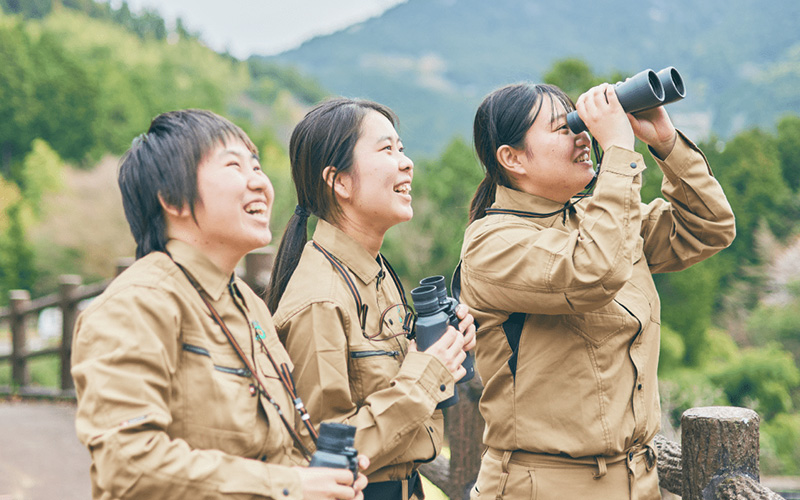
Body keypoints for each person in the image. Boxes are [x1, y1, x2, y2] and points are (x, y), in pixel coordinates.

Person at [71, 109, 369, 500]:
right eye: (234, 165)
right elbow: (129, 467)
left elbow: (274, 446)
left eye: (257, 166)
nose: (260, 182)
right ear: (173, 199)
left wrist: (322, 479)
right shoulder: (136, 305)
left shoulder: (248, 304)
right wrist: (290, 486)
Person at [457, 82, 735, 499]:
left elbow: (709, 227)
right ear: (512, 158)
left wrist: (665, 143)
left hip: (639, 482)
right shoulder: (492, 244)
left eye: (581, 123)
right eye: (563, 127)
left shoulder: (598, 216)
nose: (583, 135)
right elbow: (594, 273)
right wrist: (620, 153)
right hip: (544, 487)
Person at [267, 98, 477, 500]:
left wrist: (444, 352)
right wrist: (426, 373)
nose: (406, 162)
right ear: (339, 181)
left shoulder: (375, 273)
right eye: (386, 150)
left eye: (401, 148)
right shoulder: (320, 300)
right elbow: (320, 454)